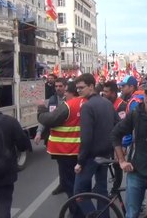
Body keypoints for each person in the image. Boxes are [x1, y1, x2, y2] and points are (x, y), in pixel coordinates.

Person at [111, 80, 147, 218]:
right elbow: (115, 134)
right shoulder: (135, 113)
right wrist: (122, 161)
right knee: (132, 214)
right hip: (136, 172)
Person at [37, 81, 85, 216]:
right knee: (80, 183)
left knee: (70, 184)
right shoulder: (86, 102)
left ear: (70, 92)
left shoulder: (68, 105)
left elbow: (49, 119)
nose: (63, 94)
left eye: (65, 92)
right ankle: (81, 210)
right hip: (81, 150)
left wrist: (41, 108)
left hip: (66, 150)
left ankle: (77, 213)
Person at [74, 74, 119, 201]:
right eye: (77, 88)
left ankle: (92, 214)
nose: (78, 90)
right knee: (101, 190)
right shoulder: (107, 103)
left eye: (81, 87)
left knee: (78, 194)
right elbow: (118, 124)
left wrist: (80, 161)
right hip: (105, 154)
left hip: (91, 157)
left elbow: (86, 138)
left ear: (91, 86)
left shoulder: (87, 107)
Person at [35, 77, 66, 196]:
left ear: (65, 87)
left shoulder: (69, 100)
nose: (58, 88)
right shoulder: (51, 101)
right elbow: (44, 119)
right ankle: (62, 184)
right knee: (60, 163)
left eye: (60, 86)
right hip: (56, 139)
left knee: (70, 165)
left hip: (69, 139)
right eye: (56, 86)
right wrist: (38, 133)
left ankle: (70, 185)